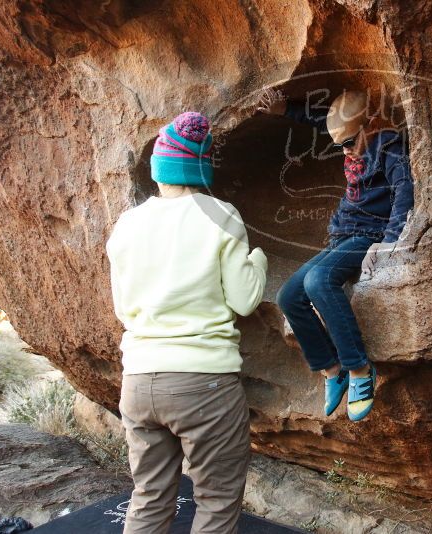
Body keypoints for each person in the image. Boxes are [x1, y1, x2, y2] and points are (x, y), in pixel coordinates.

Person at [105, 111, 268, 533]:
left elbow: (123, 309)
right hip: (204, 381)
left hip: (139, 380)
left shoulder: (127, 223)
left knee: (149, 497)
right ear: (201, 167)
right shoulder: (220, 214)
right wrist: (258, 260)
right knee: (215, 500)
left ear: (158, 169)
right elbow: (245, 300)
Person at [258, 89, 414, 422]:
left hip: (368, 235)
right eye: (339, 145)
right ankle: (332, 370)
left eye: (348, 142)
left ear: (369, 125)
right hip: (342, 235)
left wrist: (387, 241)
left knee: (319, 280)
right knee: (289, 296)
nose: (345, 150)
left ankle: (359, 370)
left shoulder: (387, 144)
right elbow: (325, 120)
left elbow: (404, 192)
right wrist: (286, 108)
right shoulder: (353, 134)